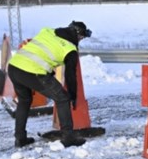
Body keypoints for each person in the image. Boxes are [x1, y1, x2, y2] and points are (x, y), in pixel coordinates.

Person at [6, 21, 93, 149]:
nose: (80, 40)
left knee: (24, 100)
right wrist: (73, 96)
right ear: (78, 35)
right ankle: (68, 137)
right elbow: (70, 77)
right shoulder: (70, 50)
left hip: (14, 67)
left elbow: (41, 52)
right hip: (32, 71)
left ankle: (20, 138)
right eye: (81, 38)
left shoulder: (48, 31)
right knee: (62, 98)